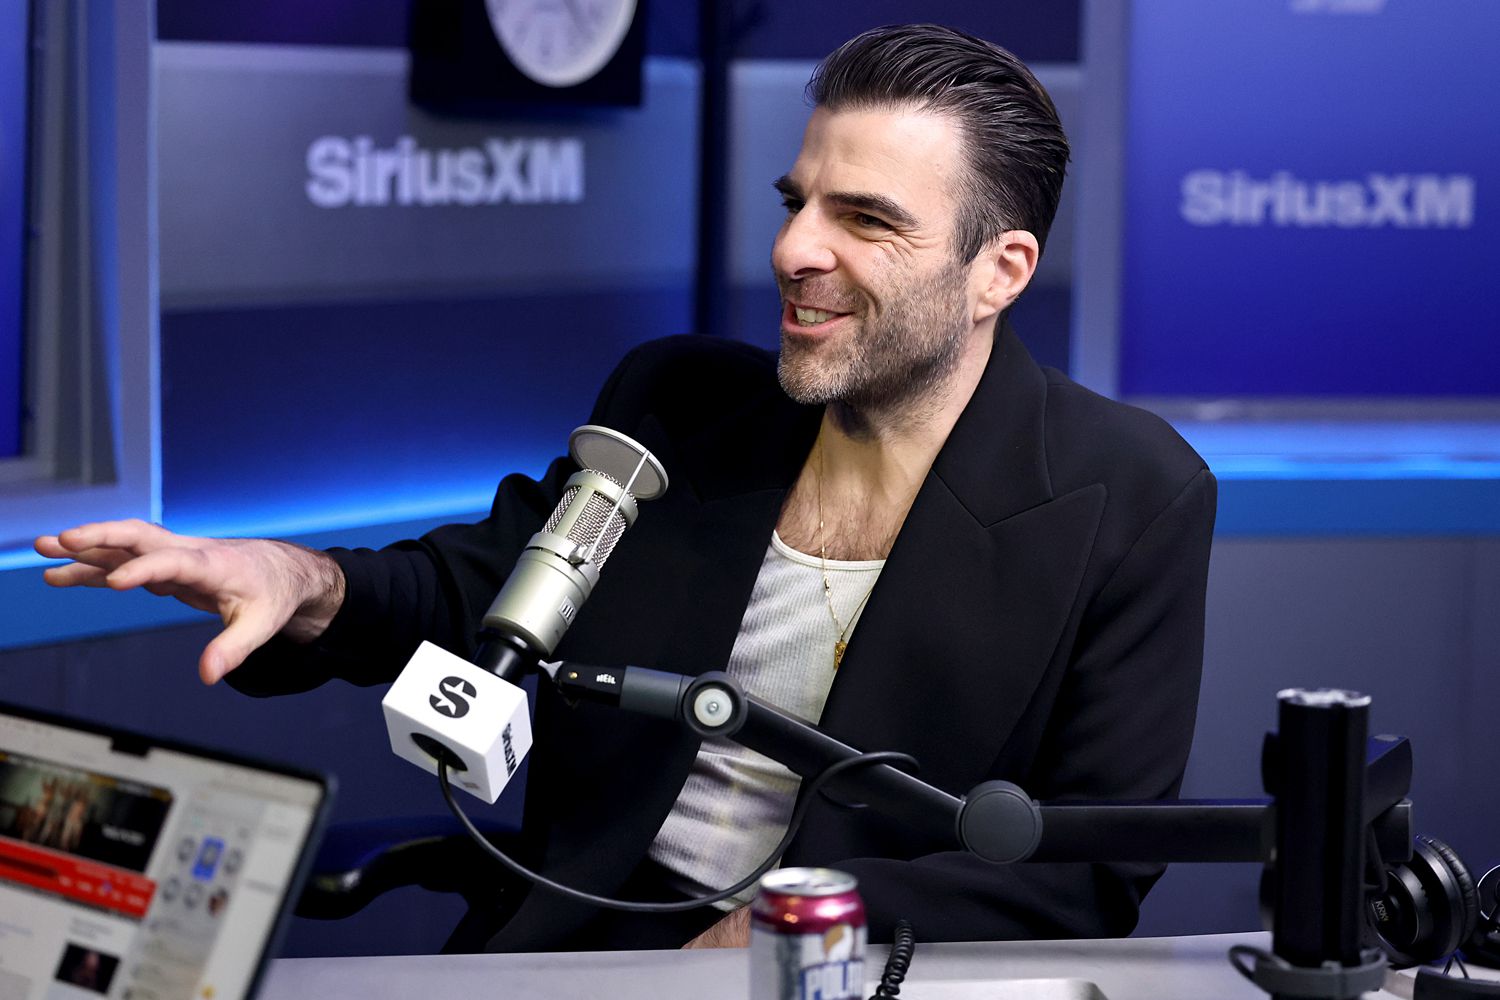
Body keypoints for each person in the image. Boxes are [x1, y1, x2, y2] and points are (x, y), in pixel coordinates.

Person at [35, 24, 1215, 952]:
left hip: (855, 965)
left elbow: (1083, 868)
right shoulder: (681, 405)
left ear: (998, 271)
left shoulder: (1132, 494)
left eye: (864, 220)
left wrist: (757, 940)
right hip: (577, 943)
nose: (796, 250)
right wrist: (296, 580)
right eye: (796, 201)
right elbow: (475, 594)